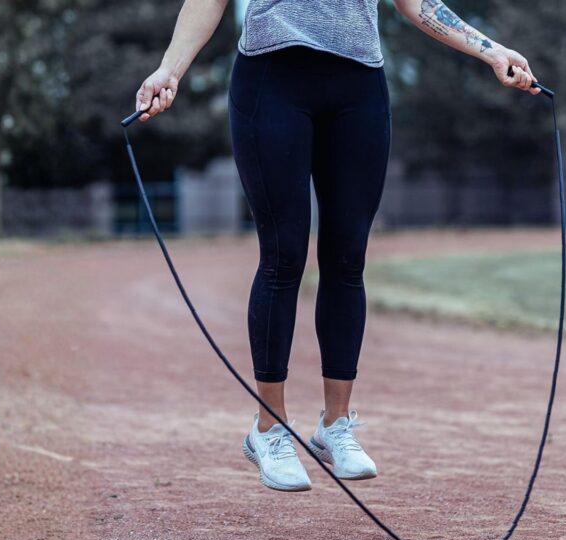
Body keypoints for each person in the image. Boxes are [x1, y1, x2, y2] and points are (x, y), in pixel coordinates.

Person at [134, 0, 542, 492]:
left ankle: (335, 425)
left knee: (348, 259)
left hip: (359, 86)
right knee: (283, 256)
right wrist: (170, 69)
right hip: (272, 79)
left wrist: (491, 50)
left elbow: (415, 2)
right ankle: (269, 429)